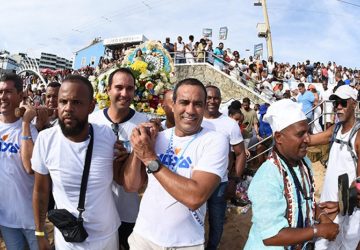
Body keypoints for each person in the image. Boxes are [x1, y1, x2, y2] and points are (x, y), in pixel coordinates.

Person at [125, 78, 229, 249]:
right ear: (173, 105)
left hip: (185, 243)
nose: (190, 110)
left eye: (197, 104)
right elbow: (131, 185)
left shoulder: (214, 141)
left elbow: (195, 197)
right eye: (184, 102)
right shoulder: (158, 137)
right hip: (144, 238)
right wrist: (139, 146)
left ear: (204, 108)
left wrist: (150, 159)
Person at [32, 75, 122, 249]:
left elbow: (122, 178)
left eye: (76, 102)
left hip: (107, 237)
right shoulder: (45, 140)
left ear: (91, 106)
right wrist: (40, 232)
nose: (68, 108)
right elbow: (41, 190)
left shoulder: (108, 136)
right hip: (68, 241)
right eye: (63, 101)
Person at [244, 99, 339, 249]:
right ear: (279, 138)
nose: (307, 139)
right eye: (300, 134)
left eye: (307, 132)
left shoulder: (304, 162)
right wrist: (317, 230)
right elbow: (271, 236)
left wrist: (322, 216)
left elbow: (306, 200)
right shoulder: (267, 177)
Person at [89, 68, 148, 250]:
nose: (124, 93)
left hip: (128, 211)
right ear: (108, 90)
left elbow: (148, 173)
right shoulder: (93, 120)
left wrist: (130, 158)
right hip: (97, 210)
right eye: (119, 87)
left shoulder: (143, 122)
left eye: (129, 88)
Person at [309, 85, 360, 249]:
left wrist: (340, 204)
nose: (338, 106)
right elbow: (309, 140)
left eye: (343, 103)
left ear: (354, 104)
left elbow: (359, 184)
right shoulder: (335, 130)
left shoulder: (358, 136)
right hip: (327, 206)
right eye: (335, 103)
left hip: (348, 210)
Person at [202, 85, 247, 250]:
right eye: (208, 97)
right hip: (194, 182)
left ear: (220, 100)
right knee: (193, 221)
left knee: (217, 221)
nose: (212, 101)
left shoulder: (230, 124)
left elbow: (240, 153)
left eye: (216, 98)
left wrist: (234, 180)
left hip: (220, 184)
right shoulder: (194, 119)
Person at [0, 73, 39, 250]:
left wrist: (24, 124)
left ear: (20, 95)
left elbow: (30, 167)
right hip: (6, 219)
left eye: (8, 91)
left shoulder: (31, 129)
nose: (2, 97)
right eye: (0, 92)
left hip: (31, 219)